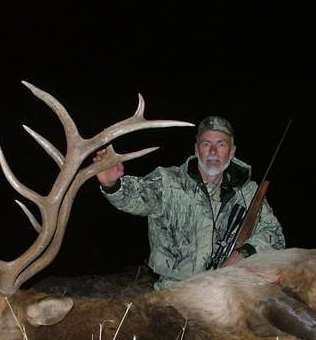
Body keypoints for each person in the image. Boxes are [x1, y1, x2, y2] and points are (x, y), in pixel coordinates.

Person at [95, 116, 285, 289]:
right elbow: (135, 197)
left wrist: (243, 253)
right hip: (175, 290)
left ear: (232, 151)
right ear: (196, 149)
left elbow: (274, 234)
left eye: (221, 144)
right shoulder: (168, 181)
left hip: (229, 286)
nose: (213, 152)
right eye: (206, 144)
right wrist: (112, 184)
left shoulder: (249, 192)